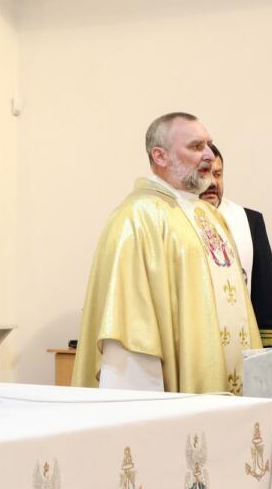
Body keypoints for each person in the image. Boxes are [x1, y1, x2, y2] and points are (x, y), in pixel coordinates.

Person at [72, 112, 261, 394]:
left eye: (209, 145)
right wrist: (143, 403)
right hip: (170, 394)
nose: (210, 155)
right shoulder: (138, 216)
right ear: (160, 156)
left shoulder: (211, 215)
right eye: (196, 146)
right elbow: (131, 324)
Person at [201, 145, 272, 347]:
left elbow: (265, 293)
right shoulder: (176, 220)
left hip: (243, 344)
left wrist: (268, 348)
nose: (213, 182)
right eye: (205, 174)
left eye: (218, 174)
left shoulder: (249, 221)